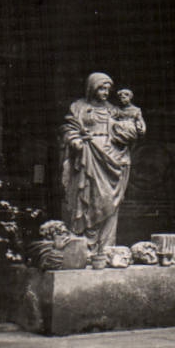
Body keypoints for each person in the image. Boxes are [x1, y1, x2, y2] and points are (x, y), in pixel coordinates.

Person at [60, 73, 143, 268]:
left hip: (111, 159)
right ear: (91, 88)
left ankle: (105, 249)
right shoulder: (78, 107)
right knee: (86, 199)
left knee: (110, 204)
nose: (105, 93)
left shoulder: (114, 110)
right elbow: (68, 128)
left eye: (107, 89)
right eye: (101, 88)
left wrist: (129, 128)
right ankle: (84, 250)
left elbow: (130, 131)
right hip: (87, 157)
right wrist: (75, 140)